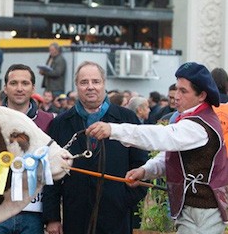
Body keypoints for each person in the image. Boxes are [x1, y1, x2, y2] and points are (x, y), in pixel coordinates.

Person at [86, 62, 228, 234]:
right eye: (177, 89)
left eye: (184, 91)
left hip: (205, 211)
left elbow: (161, 136)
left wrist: (114, 129)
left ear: (201, 96)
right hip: (192, 208)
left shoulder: (199, 126)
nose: (176, 96)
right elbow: (168, 155)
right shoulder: (189, 119)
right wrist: (145, 171)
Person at [43, 61, 148, 234]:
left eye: (96, 81)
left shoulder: (127, 119)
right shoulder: (60, 124)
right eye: (84, 82)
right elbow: (50, 173)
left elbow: (142, 164)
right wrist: (52, 217)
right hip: (76, 215)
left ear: (104, 84)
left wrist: (124, 200)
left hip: (116, 216)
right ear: (76, 86)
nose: (90, 87)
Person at [0, 63, 55, 234]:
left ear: (33, 88)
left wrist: (52, 216)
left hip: (34, 214)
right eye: (13, 83)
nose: (19, 88)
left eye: (25, 83)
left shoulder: (49, 121)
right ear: (5, 88)